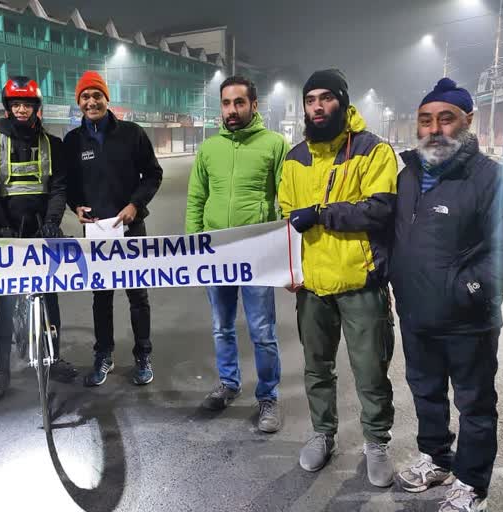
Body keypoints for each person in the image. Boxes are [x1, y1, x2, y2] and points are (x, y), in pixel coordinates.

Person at [390, 78, 503, 511]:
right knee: (425, 393)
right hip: (416, 316)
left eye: (446, 119)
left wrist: (468, 288)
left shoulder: (495, 180)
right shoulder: (408, 174)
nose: (435, 128)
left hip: (469, 319)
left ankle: (472, 482)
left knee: (475, 404)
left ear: (468, 121)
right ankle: (436, 458)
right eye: (426, 120)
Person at [277, 69, 397, 487]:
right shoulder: (294, 158)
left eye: (326, 98)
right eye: (311, 99)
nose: (317, 107)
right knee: (316, 367)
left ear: (343, 102)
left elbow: (380, 209)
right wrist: (289, 270)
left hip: (361, 282)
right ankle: (322, 434)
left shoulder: (372, 151)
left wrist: (325, 214)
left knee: (370, 369)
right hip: (311, 287)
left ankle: (377, 442)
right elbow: (287, 218)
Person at [185, 75, 288, 432]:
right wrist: (193, 246)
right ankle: (229, 384)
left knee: (262, 330)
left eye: (239, 103)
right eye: (226, 103)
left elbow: (286, 202)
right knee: (221, 327)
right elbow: (197, 199)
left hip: (257, 254)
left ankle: (268, 397)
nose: (232, 110)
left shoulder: (275, 145)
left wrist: (286, 255)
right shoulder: (209, 149)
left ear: (254, 105)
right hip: (216, 253)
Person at [0, 76, 78, 400]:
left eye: (28, 104)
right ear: (8, 108)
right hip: (7, 233)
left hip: (41, 231)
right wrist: (1, 226)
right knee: (6, 302)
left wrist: (52, 222)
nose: (22, 110)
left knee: (50, 296)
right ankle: (3, 371)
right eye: (16, 104)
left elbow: (59, 187)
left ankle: (55, 356)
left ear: (37, 108)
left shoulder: (54, 144)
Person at [64, 70, 163, 387]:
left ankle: (143, 355)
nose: (91, 101)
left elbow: (153, 174)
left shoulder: (132, 134)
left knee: (138, 296)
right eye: (85, 96)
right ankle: (103, 354)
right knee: (101, 298)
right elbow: (68, 185)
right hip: (96, 233)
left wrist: (135, 205)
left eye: (96, 95)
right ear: (78, 102)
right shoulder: (73, 141)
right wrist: (75, 206)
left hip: (131, 228)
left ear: (107, 98)